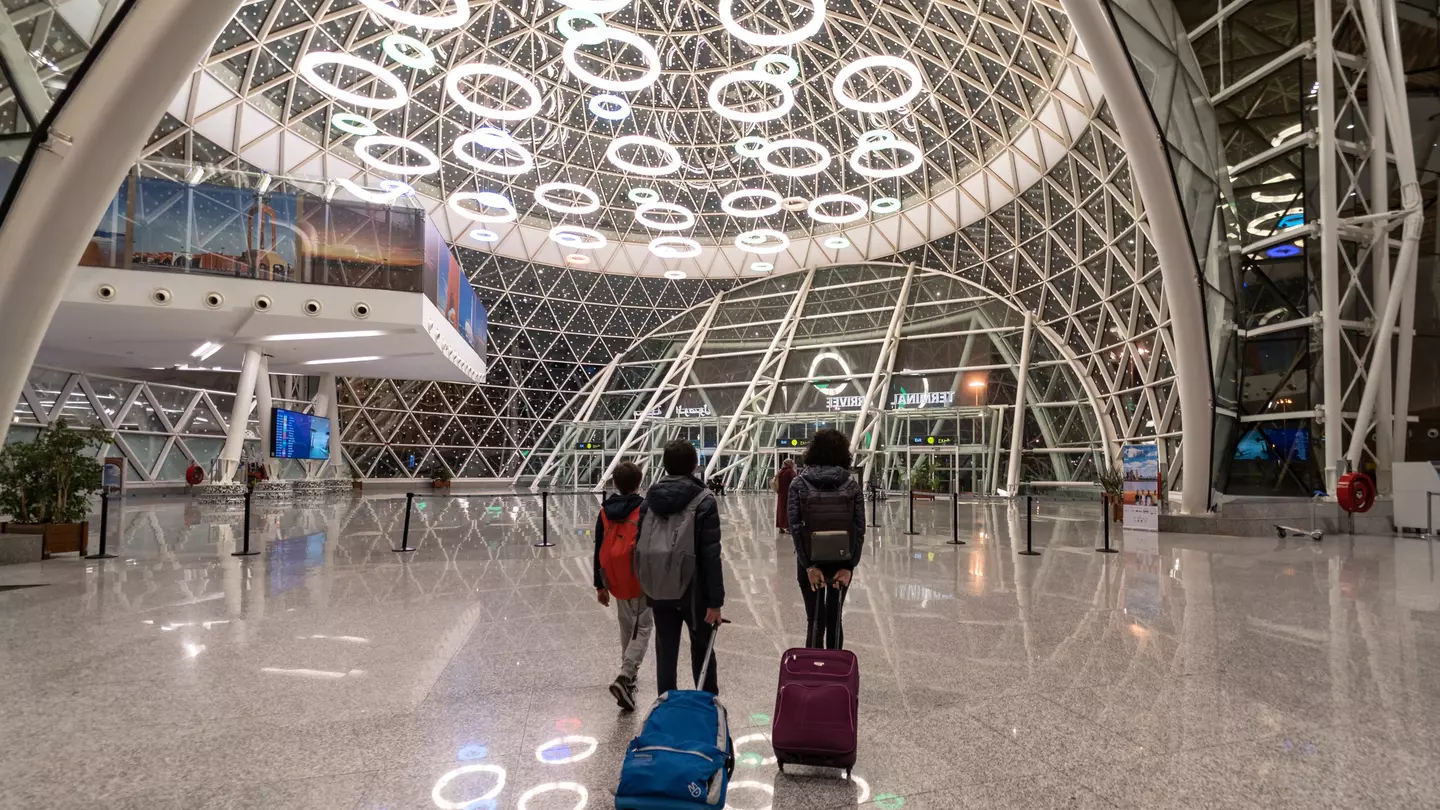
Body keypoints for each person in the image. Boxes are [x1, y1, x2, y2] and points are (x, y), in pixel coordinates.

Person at [638, 439, 724, 695]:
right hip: (694, 589)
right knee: (702, 648)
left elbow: (640, 543)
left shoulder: (649, 500)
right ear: (694, 464)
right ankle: (706, 703)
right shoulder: (704, 500)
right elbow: (711, 555)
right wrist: (715, 601)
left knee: (665, 649)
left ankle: (666, 702)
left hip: (659, 585)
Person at [787, 429, 865, 649]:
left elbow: (794, 528)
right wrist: (850, 566)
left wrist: (809, 566)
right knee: (834, 619)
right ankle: (835, 672)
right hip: (842, 559)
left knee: (815, 620)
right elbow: (859, 529)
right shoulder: (851, 485)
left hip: (810, 559)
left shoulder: (799, 484)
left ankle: (813, 675)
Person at [594, 462, 652, 712]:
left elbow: (597, 548)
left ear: (614, 483)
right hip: (639, 577)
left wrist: (600, 585)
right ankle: (626, 675)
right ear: (639, 482)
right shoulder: (644, 509)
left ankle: (628, 673)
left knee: (626, 625)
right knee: (643, 626)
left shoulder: (605, 511)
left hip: (615, 577)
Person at [774, 458, 797, 534]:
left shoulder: (780, 471)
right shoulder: (790, 471)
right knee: (788, 510)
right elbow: (795, 480)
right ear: (790, 464)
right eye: (792, 463)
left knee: (780, 510)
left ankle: (780, 526)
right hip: (788, 493)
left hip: (780, 494)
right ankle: (788, 528)